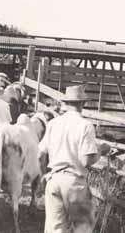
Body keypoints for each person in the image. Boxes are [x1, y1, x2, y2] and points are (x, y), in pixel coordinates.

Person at [38, 84, 111, 233]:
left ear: (65, 103)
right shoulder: (85, 125)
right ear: (83, 103)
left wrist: (43, 174)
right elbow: (85, 161)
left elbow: (40, 154)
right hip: (74, 183)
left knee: (55, 229)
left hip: (54, 179)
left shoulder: (53, 124)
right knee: (82, 227)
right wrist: (100, 151)